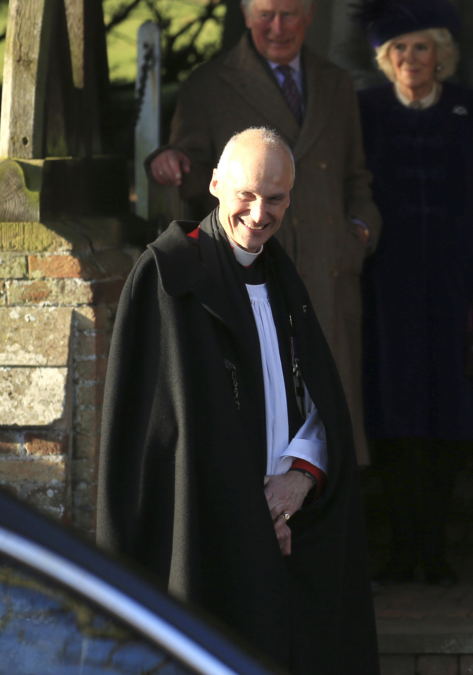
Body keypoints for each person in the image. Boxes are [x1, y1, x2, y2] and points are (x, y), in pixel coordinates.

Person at [99, 129, 379, 674]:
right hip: (207, 537)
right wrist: (251, 514)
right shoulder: (170, 276)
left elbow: (318, 400)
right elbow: (163, 435)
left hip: (287, 527)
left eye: (275, 198)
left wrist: (299, 478)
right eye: (246, 194)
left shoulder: (282, 276)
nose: (258, 213)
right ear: (215, 184)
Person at [353, 0, 473, 586]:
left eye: (421, 47)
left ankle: (434, 550)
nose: (411, 59)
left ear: (442, 52)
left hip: (451, 286)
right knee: (395, 416)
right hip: (386, 288)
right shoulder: (365, 110)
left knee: (447, 417)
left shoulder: (470, 108)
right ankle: (401, 548)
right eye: (399, 50)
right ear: (385, 60)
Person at [146, 0, 382, 466]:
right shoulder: (208, 83)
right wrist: (172, 160)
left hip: (329, 276)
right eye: (266, 14)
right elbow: (195, 173)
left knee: (330, 428)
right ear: (247, 14)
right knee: (266, 420)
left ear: (310, 15)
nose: (278, 27)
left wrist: (359, 231)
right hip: (253, 276)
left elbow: (356, 178)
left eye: (290, 13)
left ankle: (328, 518)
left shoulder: (335, 82)